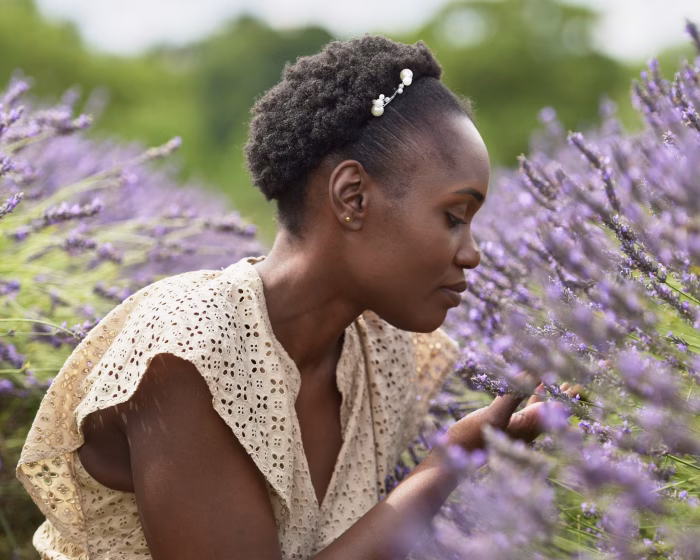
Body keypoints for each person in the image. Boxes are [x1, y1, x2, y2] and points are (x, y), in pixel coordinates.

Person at [16, 35, 579, 559]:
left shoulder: (381, 349)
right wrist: (449, 462)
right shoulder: (189, 350)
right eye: (454, 217)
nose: (473, 253)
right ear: (352, 196)